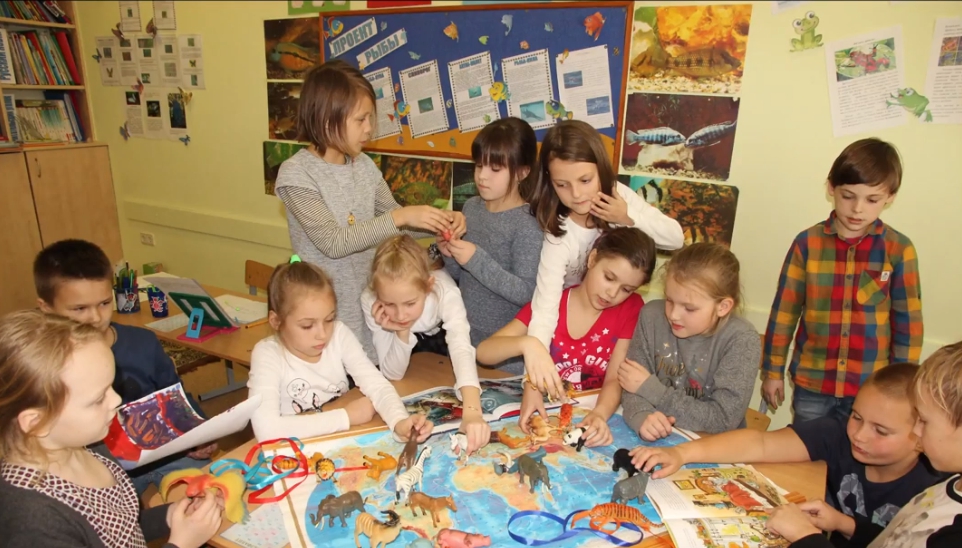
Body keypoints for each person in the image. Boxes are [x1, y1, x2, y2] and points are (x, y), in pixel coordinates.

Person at [631, 362, 943, 548]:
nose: (859, 435)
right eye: (857, 417)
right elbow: (760, 444)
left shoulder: (935, 488)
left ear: (922, 433)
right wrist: (681, 453)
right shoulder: (837, 434)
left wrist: (809, 535)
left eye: (881, 431)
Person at [274, 59, 464, 362]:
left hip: (371, 311)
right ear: (327, 119)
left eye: (370, 118)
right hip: (324, 319)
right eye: (361, 119)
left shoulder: (363, 165)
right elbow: (334, 242)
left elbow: (395, 220)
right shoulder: (296, 173)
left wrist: (440, 221)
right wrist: (401, 216)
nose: (369, 128)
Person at [0, 310, 222, 548]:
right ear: (37, 422)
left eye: (111, 386)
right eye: (98, 399)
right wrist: (181, 544)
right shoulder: (32, 520)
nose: (116, 400)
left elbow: (123, 527)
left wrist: (170, 515)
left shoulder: (90, 445)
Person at [33, 239, 215, 496]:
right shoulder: (41, 365)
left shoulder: (143, 342)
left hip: (167, 452)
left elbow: (176, 397)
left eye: (104, 303)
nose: (96, 317)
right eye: (80, 308)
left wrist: (199, 433)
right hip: (100, 465)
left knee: (214, 494)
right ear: (46, 308)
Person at [762, 138, 923, 424]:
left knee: (860, 452)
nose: (858, 209)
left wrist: (902, 388)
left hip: (870, 388)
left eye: (872, 200)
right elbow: (784, 314)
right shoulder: (806, 244)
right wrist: (772, 372)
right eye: (848, 196)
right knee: (807, 449)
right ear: (831, 188)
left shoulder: (899, 249)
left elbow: (907, 327)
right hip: (813, 384)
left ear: (890, 197)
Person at [525, 120, 683, 400]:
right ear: (549, 181)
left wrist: (627, 217)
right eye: (562, 184)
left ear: (601, 169)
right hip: (571, 327)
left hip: (614, 325)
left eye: (585, 180)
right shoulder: (558, 234)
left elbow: (675, 238)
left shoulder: (617, 195)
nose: (576, 194)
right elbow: (546, 308)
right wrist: (533, 380)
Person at [766, 343, 962, 548]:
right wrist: (845, 524)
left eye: (924, 421)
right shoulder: (949, 487)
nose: (917, 431)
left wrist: (805, 536)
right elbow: (897, 541)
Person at [477, 227, 656, 447]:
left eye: (626, 289)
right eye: (609, 278)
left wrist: (599, 414)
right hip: (548, 416)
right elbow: (484, 352)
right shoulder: (550, 305)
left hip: (590, 413)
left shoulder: (631, 308)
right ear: (592, 259)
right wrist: (527, 344)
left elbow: (614, 378)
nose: (612, 294)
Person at [248, 258, 432, 443]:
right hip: (294, 449)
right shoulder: (267, 354)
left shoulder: (339, 334)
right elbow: (266, 429)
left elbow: (377, 385)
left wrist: (399, 421)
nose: (322, 334)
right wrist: (346, 416)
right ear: (276, 321)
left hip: (337, 441)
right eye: (307, 326)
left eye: (329, 320)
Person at [618, 243, 760, 439]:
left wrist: (652, 390)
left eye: (689, 308)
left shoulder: (741, 339)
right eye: (669, 300)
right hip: (662, 437)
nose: (673, 315)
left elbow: (723, 419)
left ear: (723, 306)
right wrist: (641, 416)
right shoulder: (651, 316)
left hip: (714, 444)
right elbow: (630, 381)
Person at [362, 235, 488, 453]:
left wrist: (473, 412)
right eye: (389, 304)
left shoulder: (444, 292)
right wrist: (401, 331)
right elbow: (393, 374)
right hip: (409, 351)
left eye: (410, 303)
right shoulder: (370, 300)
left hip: (441, 345)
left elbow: (460, 346)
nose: (400, 314)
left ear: (428, 286)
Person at [439, 117, 543, 373]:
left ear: (522, 172)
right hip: (464, 339)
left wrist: (476, 259)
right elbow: (461, 276)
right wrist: (449, 252)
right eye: (479, 165)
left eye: (495, 169)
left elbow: (527, 293)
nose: (482, 176)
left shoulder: (527, 224)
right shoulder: (471, 208)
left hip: (505, 354)